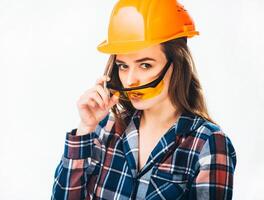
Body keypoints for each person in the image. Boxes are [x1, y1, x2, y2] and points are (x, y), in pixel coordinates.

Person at [51, 0, 237, 199]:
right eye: (123, 66)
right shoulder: (105, 128)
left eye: (145, 65)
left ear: (177, 66)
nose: (130, 81)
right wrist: (85, 128)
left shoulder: (208, 143)